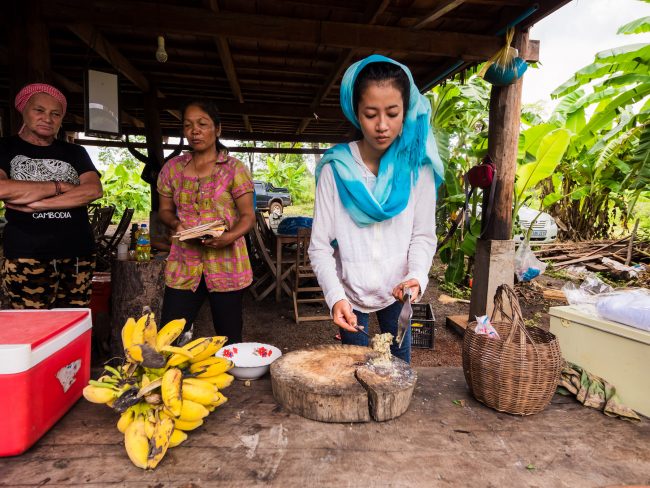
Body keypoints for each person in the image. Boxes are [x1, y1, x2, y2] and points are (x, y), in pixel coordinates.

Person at [308, 55, 444, 363]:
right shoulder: (336, 169)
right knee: (354, 375)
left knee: (399, 373)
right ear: (355, 112)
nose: (382, 125)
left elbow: (423, 234)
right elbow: (319, 248)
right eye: (371, 114)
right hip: (349, 294)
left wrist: (417, 276)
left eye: (393, 113)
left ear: (405, 111)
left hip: (399, 292)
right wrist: (335, 298)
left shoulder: (416, 169)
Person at [157, 99, 255, 344]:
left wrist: (228, 237)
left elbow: (248, 217)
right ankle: (171, 378)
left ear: (218, 129)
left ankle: (229, 379)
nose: (195, 131)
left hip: (227, 265)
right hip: (183, 264)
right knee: (169, 336)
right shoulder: (173, 169)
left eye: (202, 124)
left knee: (229, 336)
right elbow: (165, 210)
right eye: (188, 125)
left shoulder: (234, 169)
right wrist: (177, 225)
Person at [0, 83, 103, 309]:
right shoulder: (5, 148)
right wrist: (59, 186)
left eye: (55, 114)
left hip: (78, 254)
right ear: (23, 110)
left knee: (74, 325)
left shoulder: (75, 152)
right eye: (39, 110)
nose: (47, 118)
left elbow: (93, 190)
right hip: (26, 254)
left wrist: (38, 205)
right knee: (32, 329)